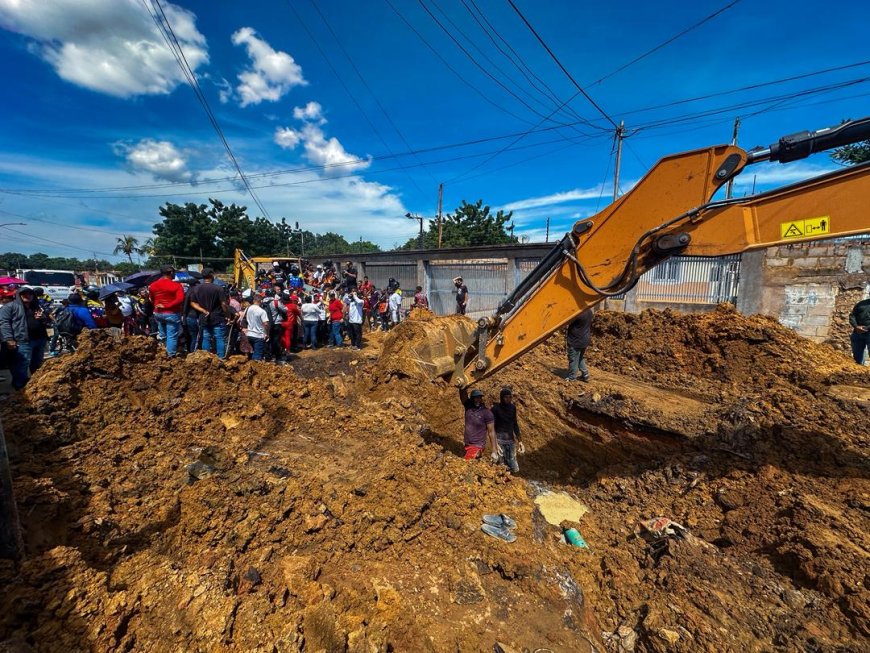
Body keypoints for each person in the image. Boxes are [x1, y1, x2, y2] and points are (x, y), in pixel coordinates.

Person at [0, 286, 50, 390]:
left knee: (37, 365)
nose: (28, 296)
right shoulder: (10, 307)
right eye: (24, 294)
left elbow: (46, 321)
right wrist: (9, 339)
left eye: (30, 294)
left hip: (39, 340)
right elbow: (4, 323)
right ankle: (20, 388)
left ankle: (36, 385)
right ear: (19, 295)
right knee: (21, 365)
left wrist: (42, 318)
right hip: (23, 341)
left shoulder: (36, 306)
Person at [188, 269, 229, 358]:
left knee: (206, 338)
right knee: (219, 338)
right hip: (217, 317)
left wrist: (203, 310)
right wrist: (227, 315)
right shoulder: (218, 288)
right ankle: (221, 358)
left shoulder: (196, 288)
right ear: (211, 275)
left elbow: (192, 303)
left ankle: (205, 358)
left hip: (204, 317)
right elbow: (223, 304)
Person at [149, 265, 184, 357]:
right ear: (171, 273)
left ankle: (163, 352)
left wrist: (158, 306)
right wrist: (166, 306)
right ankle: (170, 356)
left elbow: (152, 299)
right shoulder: (177, 285)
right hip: (171, 313)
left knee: (163, 334)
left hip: (158, 313)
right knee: (172, 336)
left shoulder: (153, 285)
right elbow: (180, 299)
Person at [491, 387, 523, 473]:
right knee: (501, 466)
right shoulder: (495, 409)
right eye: (506, 397)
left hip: (510, 441)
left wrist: (520, 441)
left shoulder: (512, 408)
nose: (508, 399)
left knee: (514, 467)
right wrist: (495, 444)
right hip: (499, 441)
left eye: (510, 397)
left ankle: (510, 483)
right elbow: (491, 427)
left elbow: (515, 424)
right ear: (501, 397)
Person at [460, 388, 496, 460]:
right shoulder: (468, 407)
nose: (478, 400)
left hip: (477, 445)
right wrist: (461, 387)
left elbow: (491, 432)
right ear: (472, 399)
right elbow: (463, 396)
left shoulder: (486, 413)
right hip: (467, 444)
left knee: (466, 463)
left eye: (479, 398)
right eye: (475, 398)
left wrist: (494, 450)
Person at [566, 308, 593, 382]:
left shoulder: (578, 313)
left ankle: (572, 377)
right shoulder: (589, 311)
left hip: (575, 340)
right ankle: (585, 374)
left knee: (573, 359)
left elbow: (566, 321)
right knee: (580, 357)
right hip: (584, 339)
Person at [243, 294, 269, 361]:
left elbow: (243, 319)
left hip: (249, 334)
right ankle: (254, 369)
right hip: (258, 335)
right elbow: (266, 324)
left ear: (254, 300)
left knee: (250, 354)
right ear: (261, 301)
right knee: (257, 357)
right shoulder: (262, 311)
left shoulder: (247, 308)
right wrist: (267, 334)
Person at [849, 296, 870, 364]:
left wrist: (867, 328)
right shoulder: (861, 304)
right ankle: (859, 372)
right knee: (857, 356)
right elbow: (852, 315)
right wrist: (856, 326)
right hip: (857, 333)